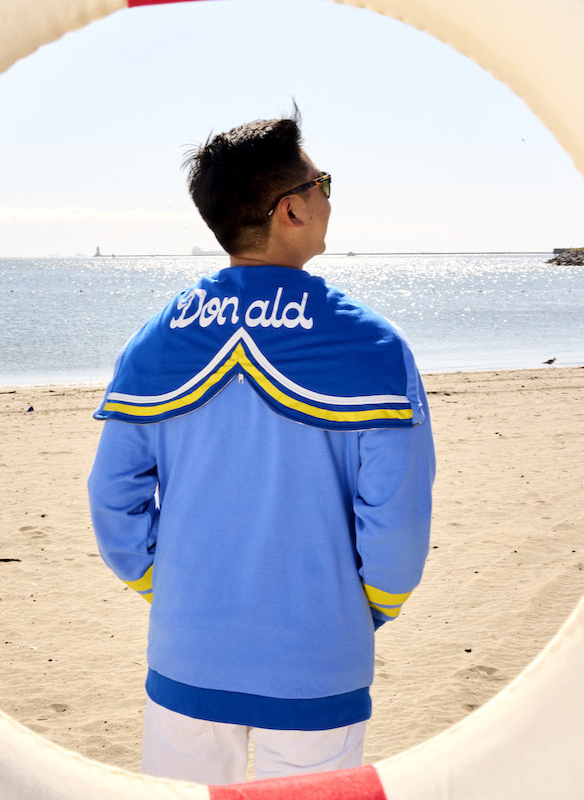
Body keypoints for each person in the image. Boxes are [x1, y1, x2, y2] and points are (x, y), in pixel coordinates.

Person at [87, 110, 436, 785]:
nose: (330, 196)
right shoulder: (372, 345)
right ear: (291, 212)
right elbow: (398, 515)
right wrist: (372, 605)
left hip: (187, 652)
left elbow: (113, 497)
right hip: (318, 656)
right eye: (322, 183)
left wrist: (165, 586)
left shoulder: (156, 338)